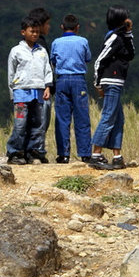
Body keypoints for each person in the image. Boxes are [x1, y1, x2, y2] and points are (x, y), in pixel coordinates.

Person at [89, 6, 135, 170]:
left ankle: (117, 156)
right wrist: (97, 83)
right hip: (111, 81)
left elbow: (131, 54)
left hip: (117, 81)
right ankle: (95, 155)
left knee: (118, 119)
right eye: (126, 18)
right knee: (108, 117)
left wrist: (128, 33)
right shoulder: (114, 37)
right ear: (120, 20)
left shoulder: (122, 37)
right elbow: (99, 60)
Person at [6, 16, 53, 165]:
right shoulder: (16, 51)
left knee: (38, 124)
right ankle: (15, 152)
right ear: (23, 32)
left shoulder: (42, 51)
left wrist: (47, 86)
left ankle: (34, 152)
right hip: (21, 92)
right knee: (20, 124)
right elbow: (11, 73)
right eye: (32, 31)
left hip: (38, 92)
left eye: (37, 32)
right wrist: (12, 93)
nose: (35, 34)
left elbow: (47, 70)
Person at [49, 14, 92, 165]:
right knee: (82, 117)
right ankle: (85, 153)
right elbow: (87, 58)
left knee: (62, 118)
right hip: (78, 79)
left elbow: (53, 60)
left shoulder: (56, 42)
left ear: (62, 27)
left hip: (61, 79)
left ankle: (63, 154)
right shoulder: (83, 41)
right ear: (77, 27)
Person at [28, 7, 53, 162]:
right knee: (41, 121)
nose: (48, 27)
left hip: (37, 88)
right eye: (47, 24)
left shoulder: (38, 44)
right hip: (41, 88)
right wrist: (48, 85)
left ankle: (35, 150)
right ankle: (36, 151)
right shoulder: (40, 44)